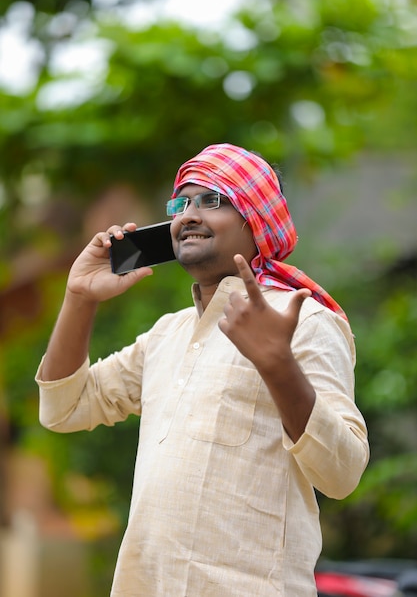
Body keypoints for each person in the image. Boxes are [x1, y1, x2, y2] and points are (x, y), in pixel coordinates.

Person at [36, 143, 369, 596]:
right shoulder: (167, 334)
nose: (188, 215)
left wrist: (278, 366)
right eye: (181, 203)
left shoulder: (304, 320)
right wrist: (79, 298)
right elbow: (64, 408)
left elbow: (342, 473)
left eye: (212, 200)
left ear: (257, 220)